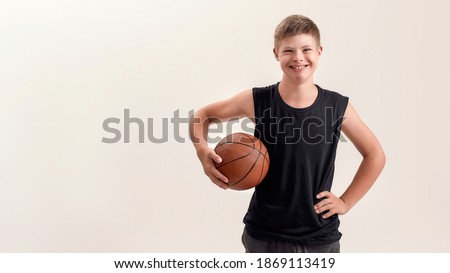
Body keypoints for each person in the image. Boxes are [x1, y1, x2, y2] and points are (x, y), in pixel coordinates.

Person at [189, 15, 385, 253]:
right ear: (276, 54)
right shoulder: (257, 100)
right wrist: (201, 149)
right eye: (289, 50)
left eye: (306, 49)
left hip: (319, 237)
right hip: (264, 234)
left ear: (319, 51)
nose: (298, 57)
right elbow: (202, 115)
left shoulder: (337, 106)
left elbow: (375, 155)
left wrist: (345, 202)